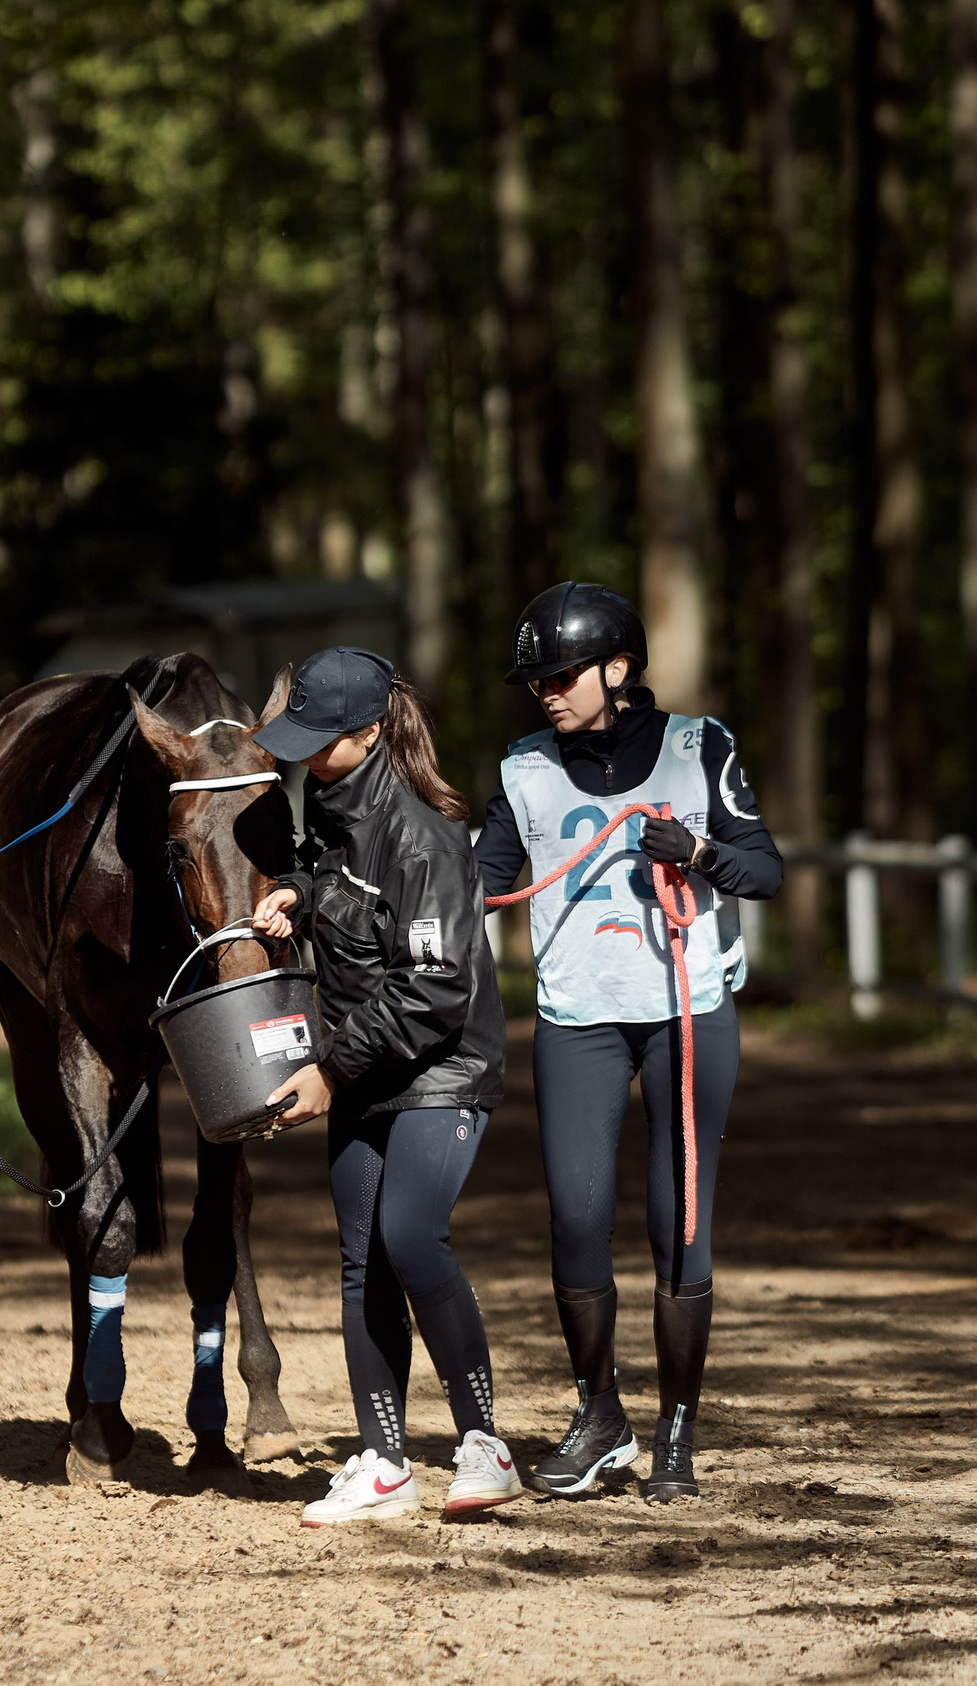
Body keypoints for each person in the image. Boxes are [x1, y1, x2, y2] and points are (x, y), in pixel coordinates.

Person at [474, 582, 783, 1504]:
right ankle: (600, 1413)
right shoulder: (522, 769)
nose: (548, 693)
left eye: (563, 675)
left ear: (618, 668)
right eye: (536, 682)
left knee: (677, 1222)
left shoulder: (700, 748)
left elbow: (765, 867)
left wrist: (695, 851)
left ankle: (677, 1435)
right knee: (575, 1217)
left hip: (687, 1013)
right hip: (578, 1022)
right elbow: (476, 883)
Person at [246, 647, 524, 1527]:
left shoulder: (423, 834)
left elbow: (435, 991)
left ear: (367, 733)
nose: (299, 753)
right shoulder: (327, 815)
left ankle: (485, 1444)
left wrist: (329, 1068)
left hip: (442, 1067)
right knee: (361, 1254)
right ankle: (383, 1460)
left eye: (317, 738)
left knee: (411, 1234)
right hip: (368, 1063)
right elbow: (345, 896)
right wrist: (295, 890)